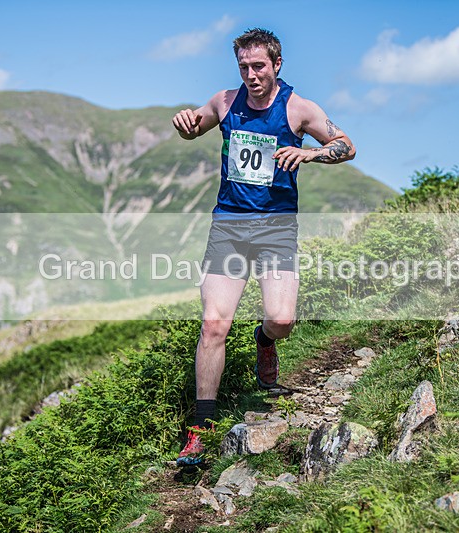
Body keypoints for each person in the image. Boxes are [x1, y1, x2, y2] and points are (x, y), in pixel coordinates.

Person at [172, 28, 356, 466]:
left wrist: (311, 154)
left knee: (282, 319)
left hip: (276, 229)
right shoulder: (225, 101)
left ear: (276, 65)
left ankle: (264, 340)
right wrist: (184, 124)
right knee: (214, 325)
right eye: (244, 67)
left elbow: (346, 146)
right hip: (229, 226)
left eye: (259, 67)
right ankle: (200, 430)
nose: (252, 75)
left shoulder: (298, 109)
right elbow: (194, 127)